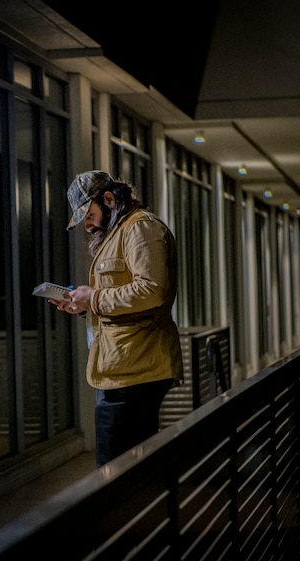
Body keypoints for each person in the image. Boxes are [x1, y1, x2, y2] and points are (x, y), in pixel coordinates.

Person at [51, 171, 184, 467]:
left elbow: (152, 290)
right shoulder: (119, 232)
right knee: (121, 470)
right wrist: (84, 305)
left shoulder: (141, 228)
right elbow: (124, 295)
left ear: (109, 199)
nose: (87, 225)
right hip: (123, 367)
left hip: (136, 368)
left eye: (89, 215)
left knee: (115, 473)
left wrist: (94, 298)